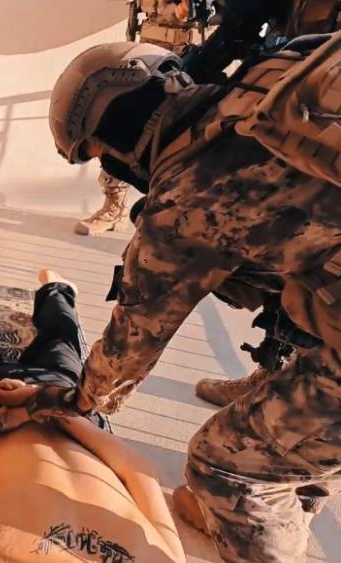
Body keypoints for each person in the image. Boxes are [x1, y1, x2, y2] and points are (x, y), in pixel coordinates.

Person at [37, 38, 341, 562]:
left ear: (119, 137)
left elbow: (133, 341)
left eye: (103, 152)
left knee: (224, 468)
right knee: (295, 409)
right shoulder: (277, 78)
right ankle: (297, 489)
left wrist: (77, 402)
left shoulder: (187, 199)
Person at [0, 267, 185, 563]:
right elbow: (139, 470)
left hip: (5, 408)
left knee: (21, 346)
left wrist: (19, 412)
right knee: (41, 346)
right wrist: (38, 404)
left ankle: (44, 288)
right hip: (49, 410)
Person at [75, 0, 204, 237]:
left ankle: (174, 214)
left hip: (191, 55)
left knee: (182, 142)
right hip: (150, 49)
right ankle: (114, 207)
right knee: (117, 126)